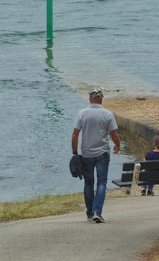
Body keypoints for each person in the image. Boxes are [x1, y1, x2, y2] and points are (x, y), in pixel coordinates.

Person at [71, 87, 120, 223]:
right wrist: (118, 145)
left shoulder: (82, 113)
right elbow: (114, 134)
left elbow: (75, 135)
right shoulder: (108, 114)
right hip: (103, 152)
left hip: (86, 153)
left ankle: (89, 213)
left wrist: (75, 153)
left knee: (88, 183)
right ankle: (98, 211)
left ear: (90, 98)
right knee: (102, 182)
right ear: (101, 98)